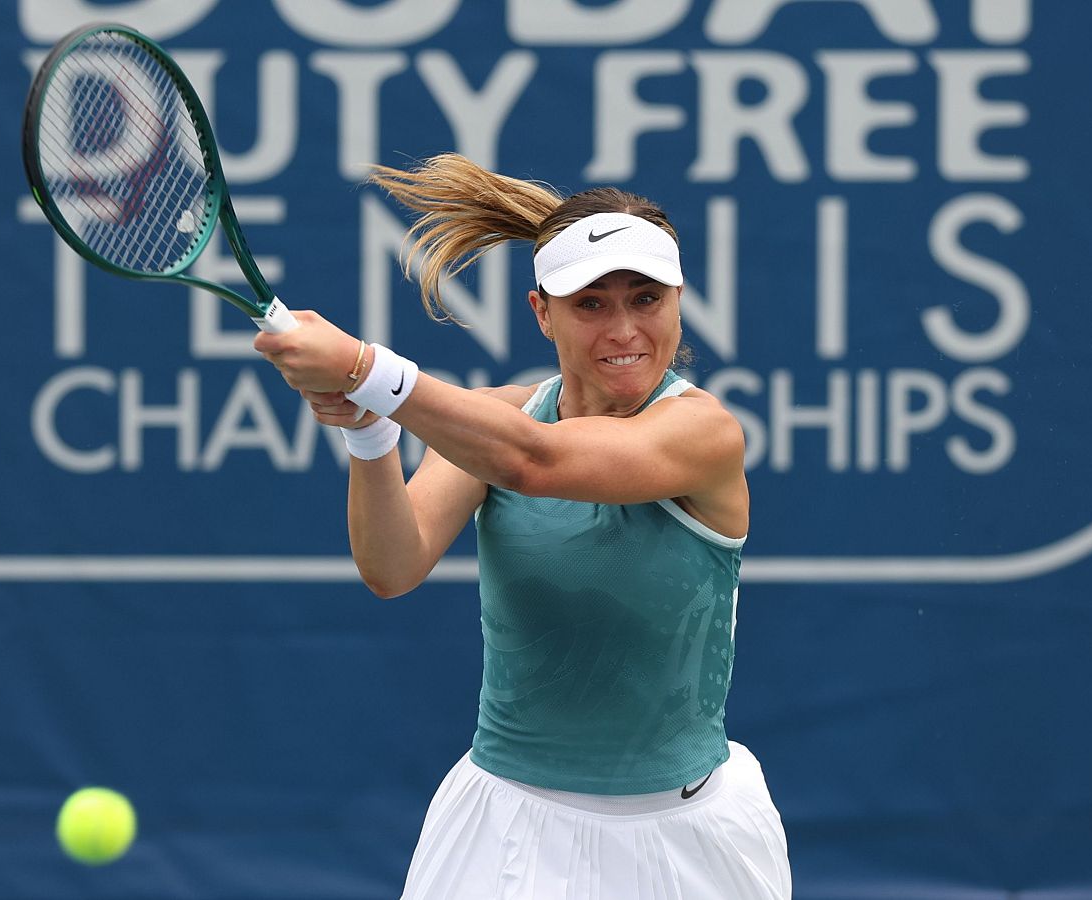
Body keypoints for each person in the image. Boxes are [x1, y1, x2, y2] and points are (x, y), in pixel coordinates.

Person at [254, 153, 791, 899]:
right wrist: (371, 435)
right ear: (542, 312)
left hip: (688, 843)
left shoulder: (702, 434)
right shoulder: (499, 421)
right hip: (508, 833)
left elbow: (535, 463)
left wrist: (362, 366)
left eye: (645, 298)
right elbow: (393, 565)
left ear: (678, 300)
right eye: (591, 304)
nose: (625, 328)